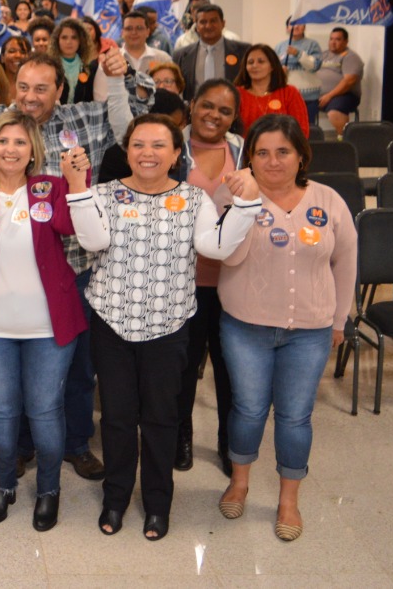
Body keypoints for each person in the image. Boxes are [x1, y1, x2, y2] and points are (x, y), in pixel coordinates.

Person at [0, 50, 151, 481]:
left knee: (79, 368)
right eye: (24, 87)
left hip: (75, 268)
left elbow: (139, 119)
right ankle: (24, 445)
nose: (29, 97)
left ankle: (75, 444)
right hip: (7, 281)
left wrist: (126, 75)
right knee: (17, 380)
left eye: (41, 89)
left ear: (60, 90)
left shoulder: (86, 118)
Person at [68, 114, 261, 540]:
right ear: (127, 151)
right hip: (111, 324)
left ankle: (158, 504)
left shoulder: (194, 198)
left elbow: (216, 248)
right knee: (117, 419)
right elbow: (93, 243)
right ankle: (115, 499)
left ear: (177, 153)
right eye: (138, 145)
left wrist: (246, 207)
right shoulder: (101, 193)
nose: (148, 153)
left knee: (161, 419)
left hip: (169, 326)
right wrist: (76, 191)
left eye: (159, 145)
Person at [216, 114, 357, 542]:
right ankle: (239, 482)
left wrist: (339, 319)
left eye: (283, 152)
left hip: (310, 329)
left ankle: (288, 500)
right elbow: (230, 259)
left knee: (296, 417)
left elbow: (347, 260)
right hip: (247, 326)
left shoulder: (328, 199)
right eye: (262, 153)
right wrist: (244, 203)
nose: (273, 161)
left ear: (301, 156)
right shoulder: (236, 196)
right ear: (249, 158)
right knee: (249, 409)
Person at [0, 111, 91, 532]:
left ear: (33, 151)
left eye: (20, 142)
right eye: (3, 141)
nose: (11, 149)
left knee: (45, 410)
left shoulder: (49, 189)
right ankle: (3, 484)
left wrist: (79, 182)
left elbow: (75, 227)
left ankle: (49, 490)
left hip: (49, 327)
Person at [175, 80, 244, 476]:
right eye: (207, 105)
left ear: (234, 117)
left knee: (228, 366)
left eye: (224, 110)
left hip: (233, 279)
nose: (214, 115)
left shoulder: (242, 150)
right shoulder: (173, 146)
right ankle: (181, 436)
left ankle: (227, 442)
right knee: (183, 367)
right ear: (193, 105)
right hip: (184, 278)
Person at [172, 4, 249, 98]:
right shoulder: (180, 55)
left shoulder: (243, 52)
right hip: (195, 110)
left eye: (213, 21)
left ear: (223, 23)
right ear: (196, 26)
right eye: (203, 22)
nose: (208, 26)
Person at [234, 44, 309, 136]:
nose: (254, 65)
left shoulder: (290, 92)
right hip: (245, 149)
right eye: (250, 62)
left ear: (272, 66)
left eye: (261, 61)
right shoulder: (236, 94)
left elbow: (302, 130)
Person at [316, 26, 364, 138]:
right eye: (331, 39)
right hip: (320, 95)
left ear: (346, 42)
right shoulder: (323, 55)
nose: (333, 42)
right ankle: (308, 141)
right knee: (296, 105)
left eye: (337, 39)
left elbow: (349, 81)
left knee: (335, 112)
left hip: (344, 95)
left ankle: (343, 140)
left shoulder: (351, 57)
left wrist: (329, 95)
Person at [275, 20, 322, 127]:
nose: (295, 27)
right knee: (286, 127)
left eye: (299, 24)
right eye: (292, 24)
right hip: (285, 95)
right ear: (287, 28)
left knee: (307, 127)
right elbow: (272, 67)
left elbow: (315, 66)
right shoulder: (280, 46)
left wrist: (298, 54)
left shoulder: (312, 44)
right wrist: (279, 71)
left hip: (308, 96)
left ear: (304, 27)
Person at [50, 19, 97, 105]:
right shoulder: (49, 66)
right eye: (64, 37)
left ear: (80, 41)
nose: (69, 42)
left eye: (74, 37)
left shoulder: (89, 67)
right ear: (57, 40)